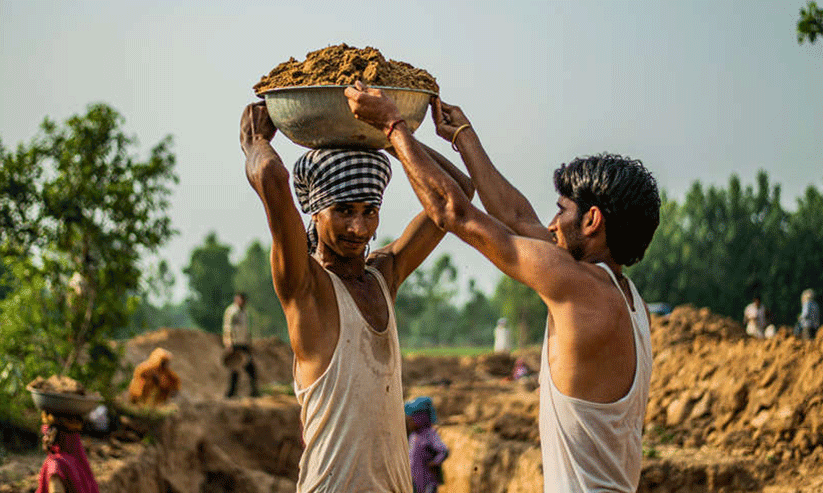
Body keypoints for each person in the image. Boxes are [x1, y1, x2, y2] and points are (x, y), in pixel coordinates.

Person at [346, 82, 659, 492]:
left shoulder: (581, 288)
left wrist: (392, 126)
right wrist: (462, 136)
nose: (549, 225)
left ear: (592, 221)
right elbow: (515, 215)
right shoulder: (627, 300)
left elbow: (452, 212)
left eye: (561, 211)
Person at [239, 101, 472, 493]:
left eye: (370, 211)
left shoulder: (385, 275)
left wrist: (394, 136)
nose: (358, 227)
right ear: (315, 210)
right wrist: (255, 142)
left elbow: (456, 196)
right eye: (344, 210)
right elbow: (270, 174)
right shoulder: (307, 288)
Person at [36, 412, 99, 493]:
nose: (44, 439)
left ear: (53, 435)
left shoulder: (56, 465)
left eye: (46, 434)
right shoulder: (80, 463)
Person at [405, 396, 449, 493]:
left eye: (412, 420)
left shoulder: (429, 434)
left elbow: (443, 451)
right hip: (415, 479)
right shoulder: (413, 436)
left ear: (420, 419)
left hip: (428, 480)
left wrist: (435, 462)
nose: (409, 423)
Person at [223, 291, 259, 398]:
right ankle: (230, 393)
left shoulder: (245, 313)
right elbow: (227, 328)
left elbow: (247, 329)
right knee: (235, 370)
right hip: (235, 344)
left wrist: (249, 343)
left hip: (244, 344)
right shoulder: (231, 312)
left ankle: (254, 392)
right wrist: (229, 343)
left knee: (251, 368)